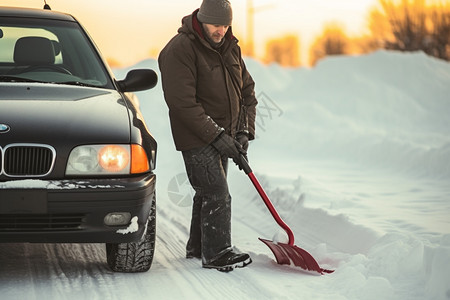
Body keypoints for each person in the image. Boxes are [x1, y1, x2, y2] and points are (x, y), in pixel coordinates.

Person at [158, 0, 258, 272]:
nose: (221, 31)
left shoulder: (229, 48)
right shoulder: (180, 50)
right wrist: (217, 136)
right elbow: (183, 105)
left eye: (226, 25)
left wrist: (243, 131)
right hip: (196, 136)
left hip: (225, 135)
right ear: (201, 20)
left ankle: (199, 247)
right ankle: (217, 253)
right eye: (216, 24)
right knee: (217, 192)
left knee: (206, 192)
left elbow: (246, 92)